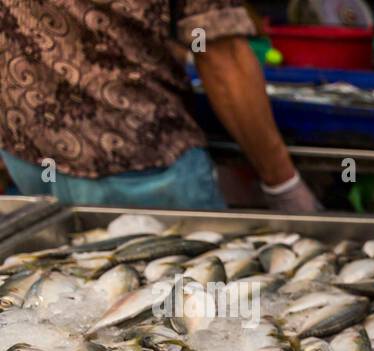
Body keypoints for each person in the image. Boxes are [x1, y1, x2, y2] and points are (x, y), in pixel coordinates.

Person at [0, 0, 319, 212]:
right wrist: (283, 184)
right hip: (141, 161)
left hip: (30, 154)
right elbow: (223, 57)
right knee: (191, 305)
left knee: (69, 300)